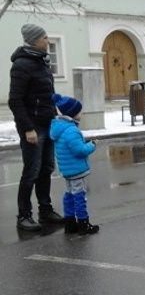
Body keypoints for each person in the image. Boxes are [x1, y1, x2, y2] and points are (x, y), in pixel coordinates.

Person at [8, 23, 64, 231]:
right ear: (34, 40)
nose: (47, 41)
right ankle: (23, 216)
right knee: (31, 171)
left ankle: (46, 210)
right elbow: (15, 100)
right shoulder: (22, 65)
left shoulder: (42, 62)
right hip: (33, 127)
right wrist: (27, 129)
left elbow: (46, 95)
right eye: (44, 38)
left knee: (47, 168)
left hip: (48, 123)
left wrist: (57, 114)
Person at [50, 94, 99, 234]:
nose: (81, 113)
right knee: (80, 197)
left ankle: (70, 223)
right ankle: (84, 224)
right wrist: (92, 144)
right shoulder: (71, 130)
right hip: (77, 170)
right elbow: (80, 151)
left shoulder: (60, 128)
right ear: (72, 114)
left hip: (67, 171)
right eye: (79, 111)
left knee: (69, 195)